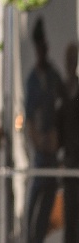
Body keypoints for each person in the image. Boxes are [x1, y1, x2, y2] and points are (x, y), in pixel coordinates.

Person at [24, 17, 65, 243]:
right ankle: (30, 237)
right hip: (40, 150)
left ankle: (38, 237)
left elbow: (64, 102)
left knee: (49, 198)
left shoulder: (52, 75)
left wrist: (57, 138)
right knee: (35, 199)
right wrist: (39, 141)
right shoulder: (33, 79)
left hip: (53, 147)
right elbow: (30, 117)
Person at [58, 42, 79, 243]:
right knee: (68, 213)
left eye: (74, 58)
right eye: (69, 59)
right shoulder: (61, 89)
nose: (71, 63)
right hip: (67, 161)